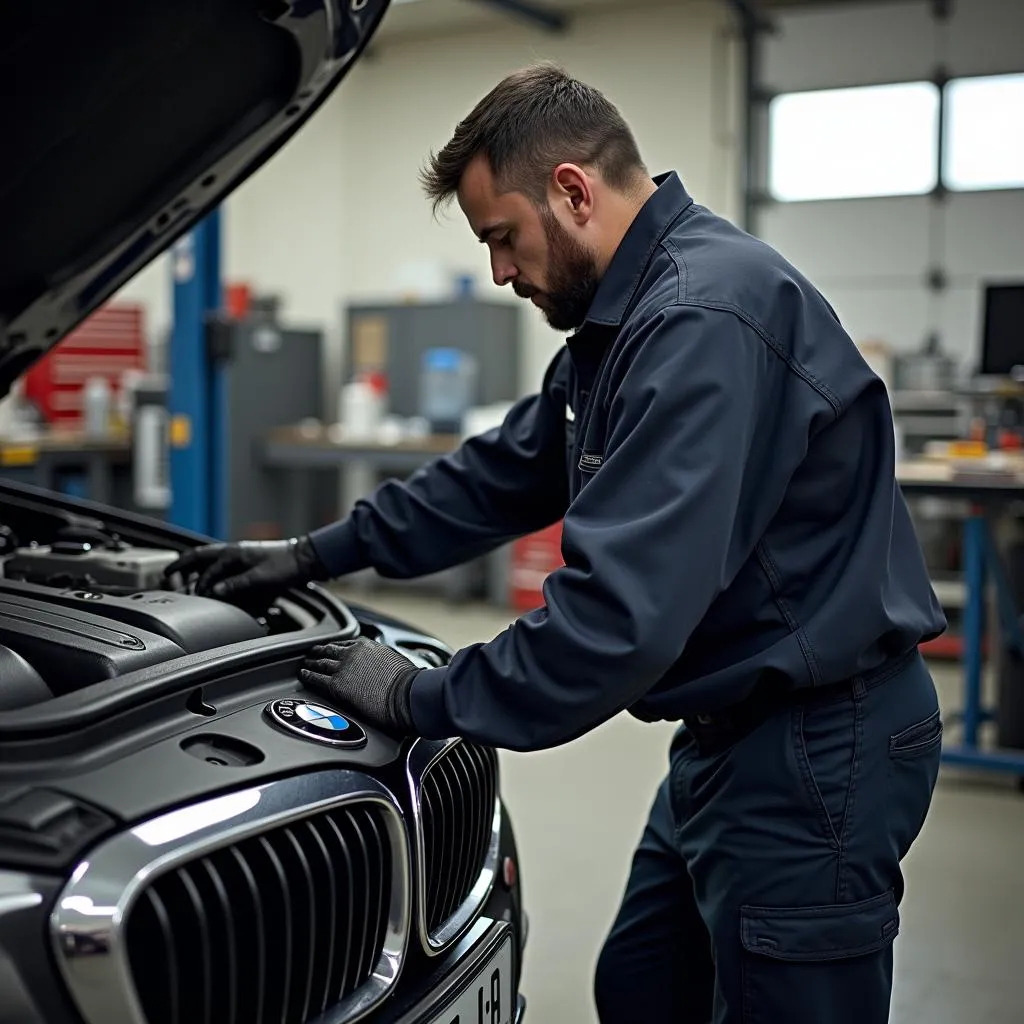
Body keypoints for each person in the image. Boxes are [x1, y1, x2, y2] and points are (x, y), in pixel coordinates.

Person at [166, 63, 947, 1024]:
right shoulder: (624, 322)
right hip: (729, 738)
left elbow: (615, 624)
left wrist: (416, 694)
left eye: (503, 236)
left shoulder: (701, 319)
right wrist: (316, 551)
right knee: (644, 986)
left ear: (572, 191)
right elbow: (503, 473)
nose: (499, 271)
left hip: (817, 747)